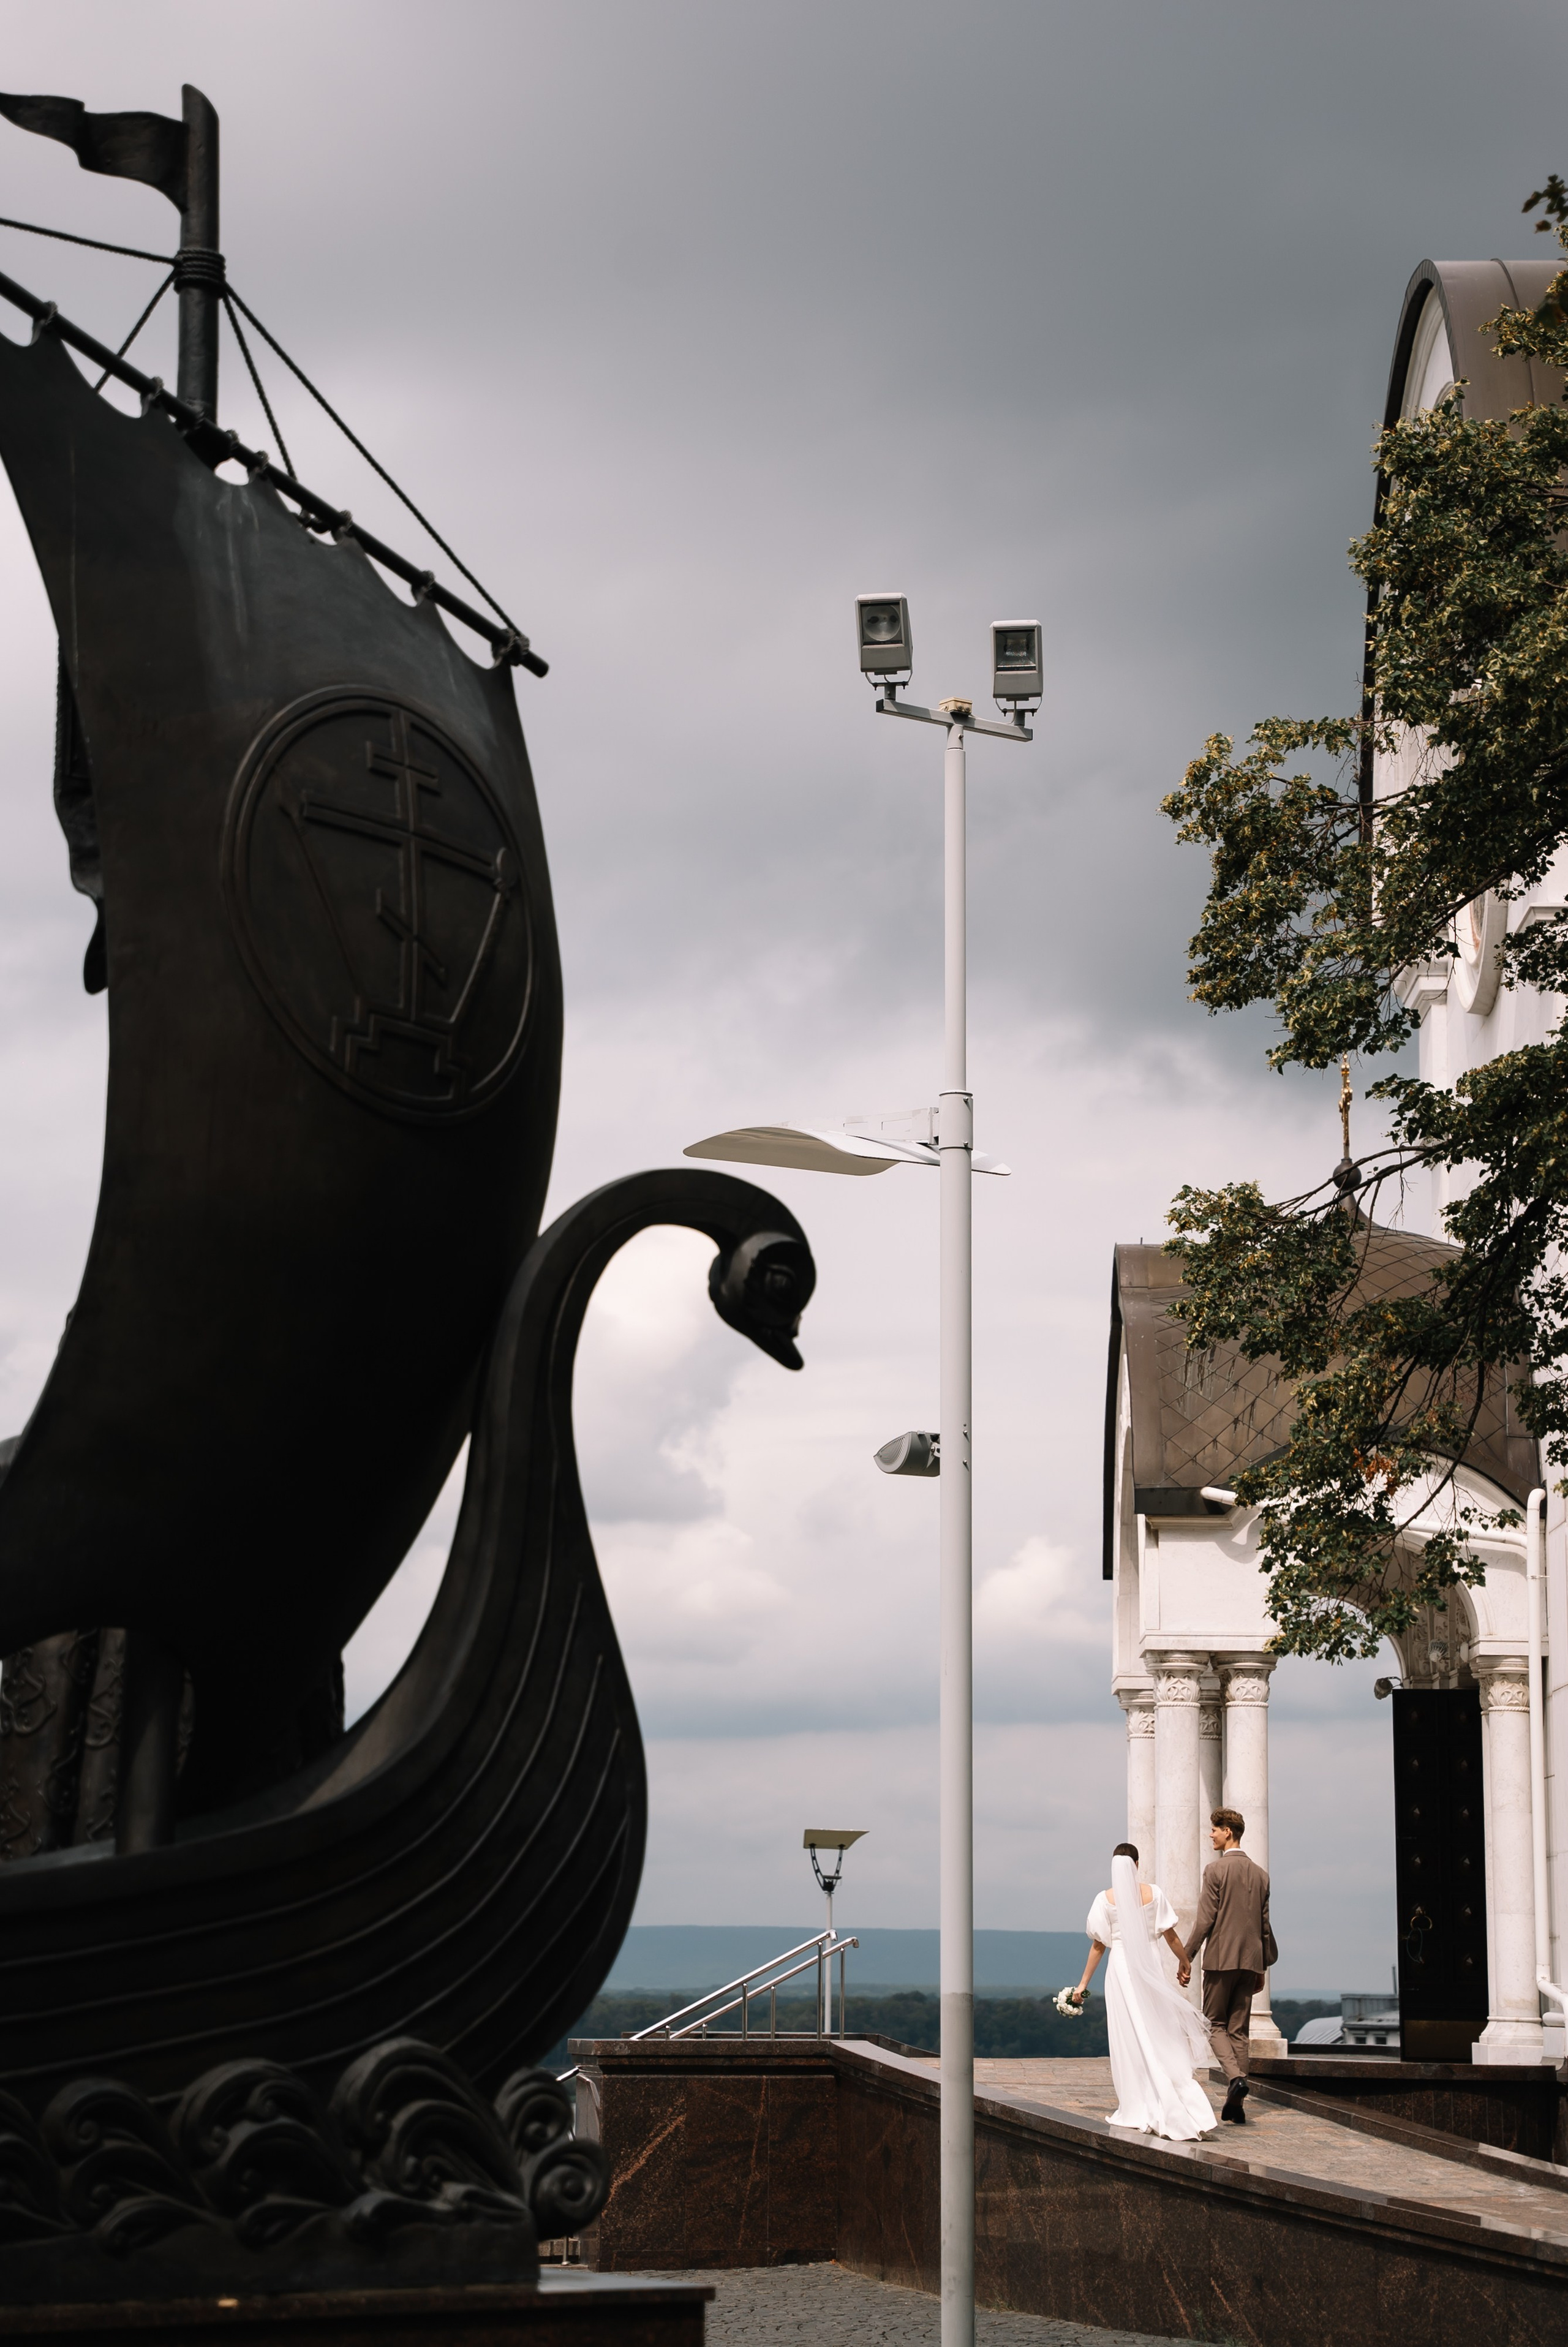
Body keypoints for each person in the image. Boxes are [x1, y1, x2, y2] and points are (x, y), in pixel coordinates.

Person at [1070, 1842, 1215, 2140]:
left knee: (1129, 2035)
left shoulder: (1104, 1899)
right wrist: (1185, 1961)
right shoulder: (1155, 1893)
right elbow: (1171, 1935)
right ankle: (1173, 2097)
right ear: (1137, 1864)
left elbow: (1099, 1945)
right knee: (1157, 2030)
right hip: (1150, 1967)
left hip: (1121, 1971)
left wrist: (1083, 1984)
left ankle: (1139, 2100)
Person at [1180, 1806, 1278, 2125]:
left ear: (1228, 1833)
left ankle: (1236, 2079)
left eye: (1214, 1829)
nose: (1211, 1834)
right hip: (1251, 1962)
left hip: (1221, 1959)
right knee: (1239, 2031)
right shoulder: (1261, 1875)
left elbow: (1206, 1919)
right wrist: (1261, 1967)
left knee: (1214, 2025)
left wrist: (1187, 1956)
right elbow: (1264, 1926)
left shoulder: (1214, 1871)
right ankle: (1236, 2104)